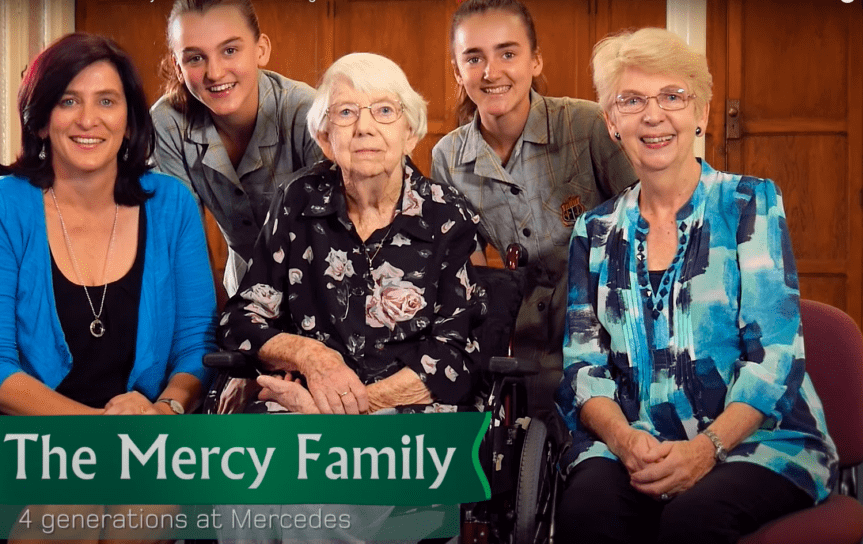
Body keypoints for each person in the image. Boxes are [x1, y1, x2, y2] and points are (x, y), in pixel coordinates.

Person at [554, 28, 838, 544]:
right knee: (586, 509)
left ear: (701, 113)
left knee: (693, 520)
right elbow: (582, 368)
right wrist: (622, 440)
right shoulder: (593, 231)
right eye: (632, 100)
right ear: (611, 123)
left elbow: (775, 357)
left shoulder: (749, 204)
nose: (654, 115)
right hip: (636, 443)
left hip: (759, 442)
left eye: (673, 97)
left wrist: (705, 449)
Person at [0, 33, 216, 421]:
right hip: (11, 436)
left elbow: (196, 343)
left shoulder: (174, 204)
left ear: (130, 122)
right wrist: (95, 428)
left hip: (144, 436)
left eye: (107, 101)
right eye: (68, 101)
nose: (87, 119)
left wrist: (168, 406)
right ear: (42, 121)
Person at [217, 52, 484, 416]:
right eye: (346, 113)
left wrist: (338, 411)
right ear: (325, 139)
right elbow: (242, 318)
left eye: (385, 111)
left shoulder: (447, 215)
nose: (364, 128)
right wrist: (312, 357)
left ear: (410, 134)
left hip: (408, 415)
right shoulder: (297, 200)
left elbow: (456, 359)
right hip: (301, 408)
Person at [430, 0, 637, 438]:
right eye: (474, 58)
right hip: (519, 326)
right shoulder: (447, 156)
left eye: (508, 53)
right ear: (457, 70)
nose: (491, 71)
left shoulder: (585, 125)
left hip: (603, 319)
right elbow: (457, 269)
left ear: (535, 60)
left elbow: (642, 224)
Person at [151, 0, 324, 298]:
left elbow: (336, 235)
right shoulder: (167, 123)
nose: (215, 73)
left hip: (318, 286)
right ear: (178, 66)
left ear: (261, 50)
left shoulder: (305, 110)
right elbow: (179, 244)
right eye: (195, 58)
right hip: (240, 291)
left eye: (230, 50)